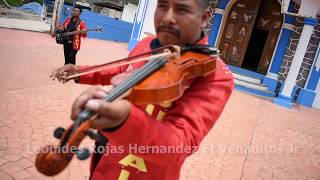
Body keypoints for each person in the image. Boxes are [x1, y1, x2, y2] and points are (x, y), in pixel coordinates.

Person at [50, 0, 234, 179]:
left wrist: (125, 121)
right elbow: (123, 70)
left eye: (182, 9)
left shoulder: (215, 74)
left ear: (204, 18)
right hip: (106, 156)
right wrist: (81, 72)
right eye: (162, 6)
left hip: (147, 172)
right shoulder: (148, 43)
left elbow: (180, 143)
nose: (167, 18)